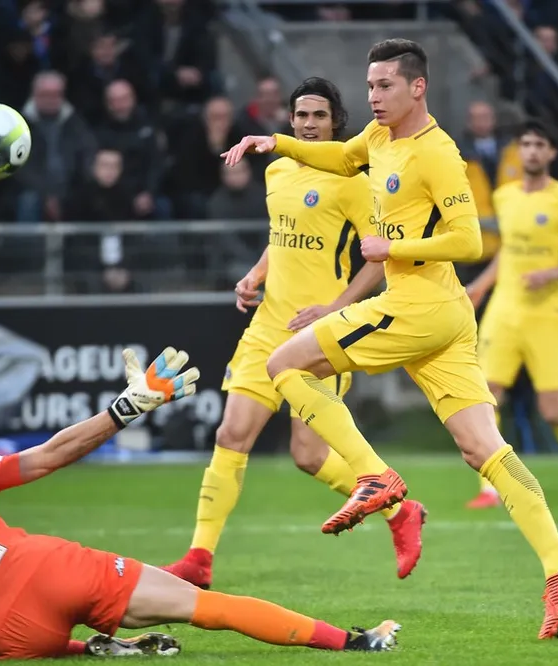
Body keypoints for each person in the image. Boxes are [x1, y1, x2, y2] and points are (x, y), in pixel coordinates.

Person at [221, 38, 558, 639]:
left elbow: (471, 241)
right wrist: (276, 142)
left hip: (418, 304)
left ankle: (375, 476)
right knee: (483, 448)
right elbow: (342, 160)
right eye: (369, 86)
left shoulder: (438, 153)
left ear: (417, 87)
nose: (373, 96)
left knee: (285, 364)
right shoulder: (376, 138)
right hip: (442, 313)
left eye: (385, 86)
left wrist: (393, 247)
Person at [0, 348, 400, 660]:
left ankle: (95, 648)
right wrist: (126, 409)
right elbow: (52, 455)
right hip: (45, 574)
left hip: (6, 642)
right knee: (209, 608)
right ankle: (354, 642)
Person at [163, 77, 426, 590]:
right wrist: (256, 274)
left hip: (318, 336)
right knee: (230, 434)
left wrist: (336, 307)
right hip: (267, 326)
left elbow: (381, 254)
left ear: (335, 123)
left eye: (318, 117)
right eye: (301, 115)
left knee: (308, 456)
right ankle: (199, 558)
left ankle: (400, 510)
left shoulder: (352, 180)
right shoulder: (279, 169)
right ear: (290, 120)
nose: (308, 124)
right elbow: (281, 236)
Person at [465, 119, 558, 506]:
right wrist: (482, 286)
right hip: (505, 309)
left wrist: (553, 272)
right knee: (487, 398)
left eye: (540, 144)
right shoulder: (505, 196)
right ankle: (490, 486)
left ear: (552, 152)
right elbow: (507, 249)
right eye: (526, 144)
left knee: (553, 411)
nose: (532, 151)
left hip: (548, 312)